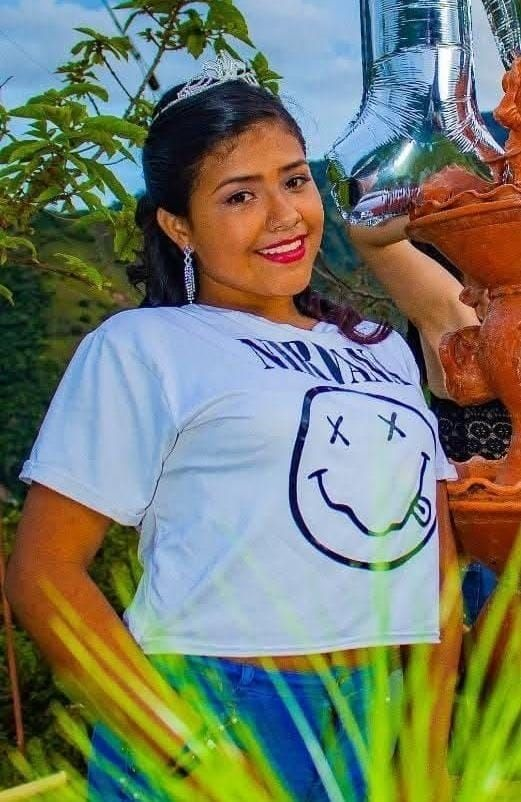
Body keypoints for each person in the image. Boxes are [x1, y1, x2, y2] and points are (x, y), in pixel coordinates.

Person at [5, 55, 461, 802]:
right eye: (239, 195)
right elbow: (44, 577)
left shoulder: (379, 352)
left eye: (293, 179)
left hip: (379, 718)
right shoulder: (144, 347)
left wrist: (429, 741)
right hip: (215, 711)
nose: (284, 215)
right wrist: (193, 754)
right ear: (178, 224)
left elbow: (431, 561)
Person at [348, 221, 509, 625]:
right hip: (476, 537)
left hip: (493, 531)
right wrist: (467, 206)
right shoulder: (458, 304)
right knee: (481, 680)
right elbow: (366, 231)